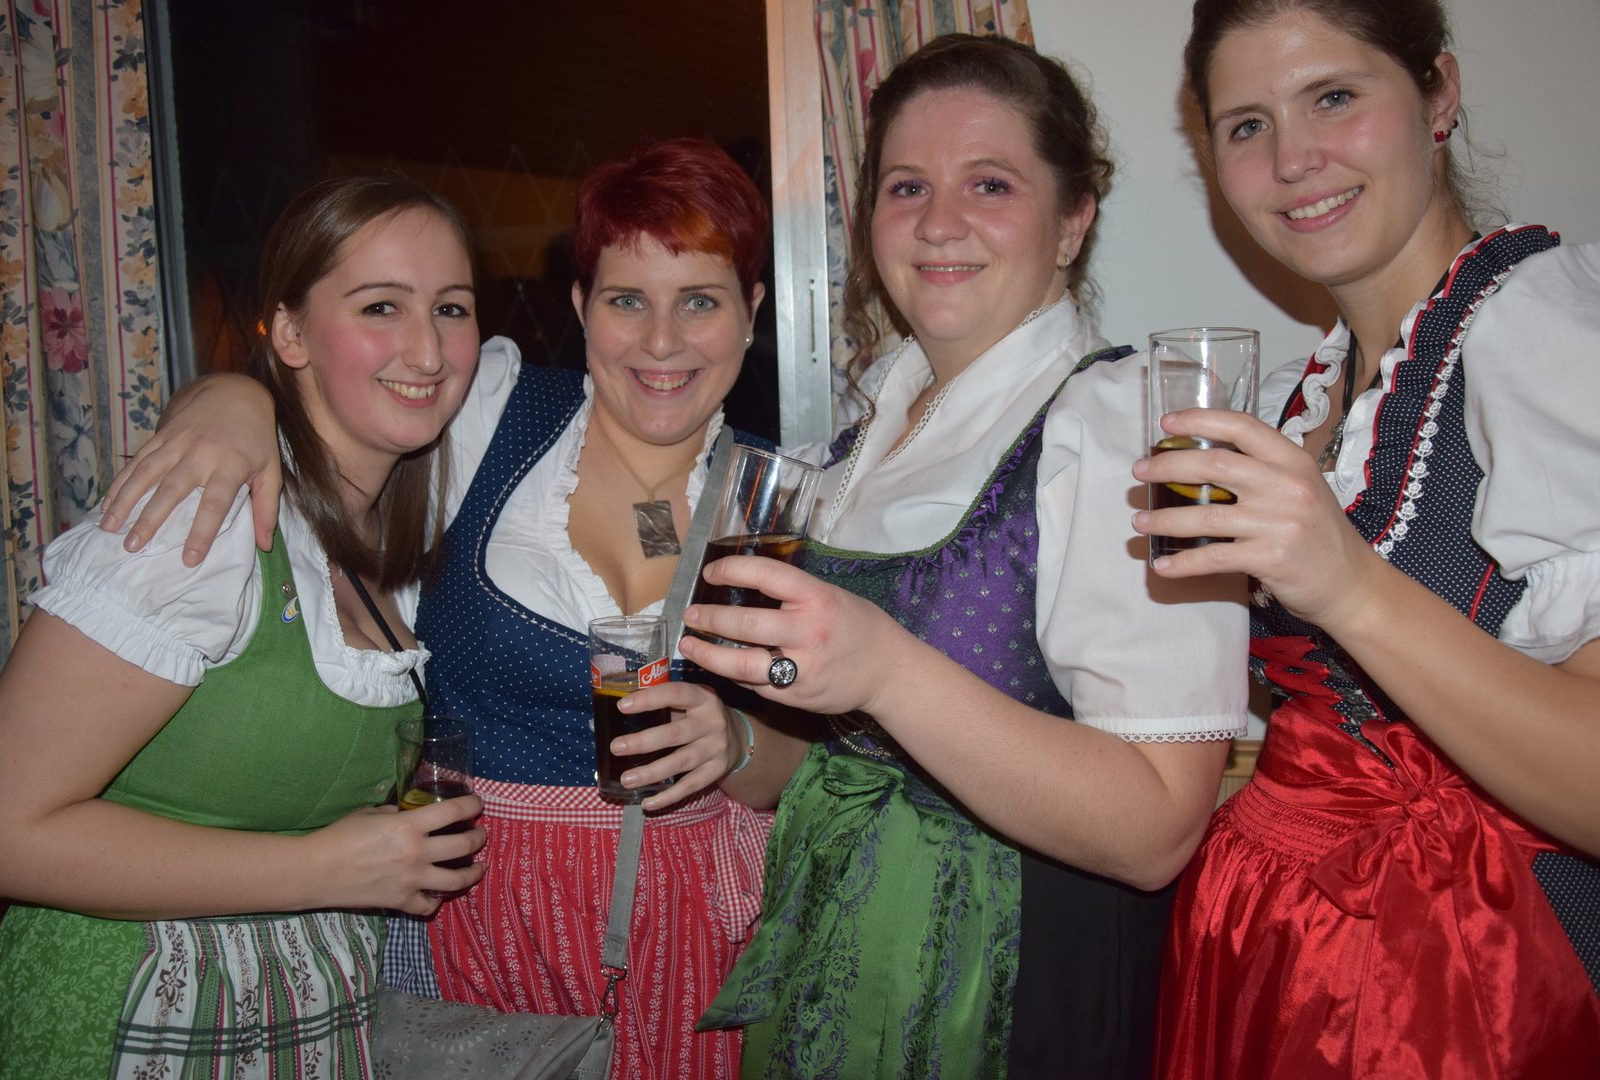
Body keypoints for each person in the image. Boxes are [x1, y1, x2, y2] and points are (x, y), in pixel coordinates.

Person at [95, 137, 813, 1080]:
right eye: (627, 300)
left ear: (753, 312)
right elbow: (329, 412)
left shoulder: (782, 500)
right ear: (581, 307)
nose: (661, 342)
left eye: (701, 302)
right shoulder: (486, 416)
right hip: (477, 913)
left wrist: (737, 743)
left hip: (701, 931)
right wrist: (229, 397)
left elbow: (817, 764)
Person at [679, 34, 1250, 1079]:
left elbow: (1158, 826)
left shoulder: (1129, 426)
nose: (939, 222)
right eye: (907, 187)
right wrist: (732, 743)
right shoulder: (861, 438)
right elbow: (843, 764)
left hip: (1014, 974)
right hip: (845, 946)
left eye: (990, 183)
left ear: (1073, 221)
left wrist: (885, 669)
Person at [1139, 1, 1600, 1075]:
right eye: (1246, 125)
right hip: (1291, 957)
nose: (1293, 160)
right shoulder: (1313, 389)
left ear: (1439, 93)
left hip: (1483, 989)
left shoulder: (1546, 335)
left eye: (1334, 97)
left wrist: (1346, 586)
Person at [0, 174, 487, 1077]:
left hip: (305, 1018)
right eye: (380, 306)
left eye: (451, 308)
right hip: (131, 1013)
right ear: (289, 333)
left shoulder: (387, 535)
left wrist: (225, 392)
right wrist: (326, 869)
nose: (427, 349)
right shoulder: (204, 521)